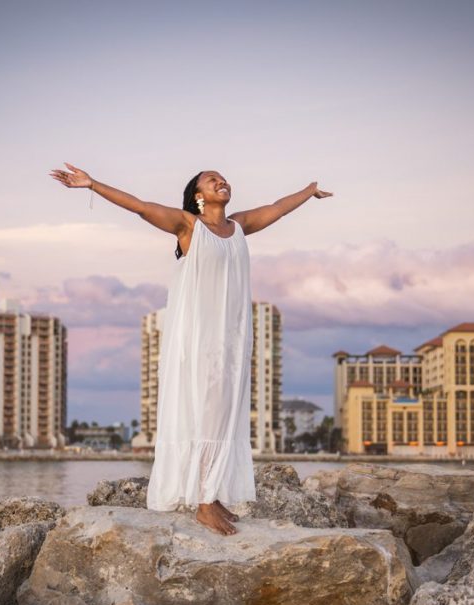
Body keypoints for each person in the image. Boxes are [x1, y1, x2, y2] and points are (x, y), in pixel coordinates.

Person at [51, 163, 332, 534]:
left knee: (224, 414)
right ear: (198, 194)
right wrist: (92, 185)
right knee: (204, 411)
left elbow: (277, 208)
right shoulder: (188, 226)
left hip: (231, 338)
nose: (222, 180)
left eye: (224, 177)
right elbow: (139, 205)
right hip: (199, 338)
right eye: (211, 179)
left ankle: (212, 495)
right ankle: (202, 503)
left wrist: (307, 191)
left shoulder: (238, 227)